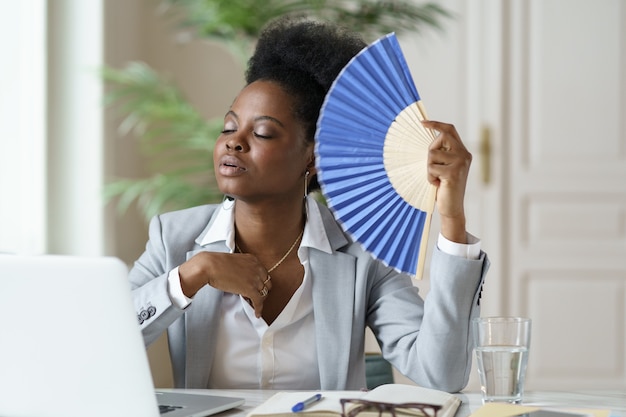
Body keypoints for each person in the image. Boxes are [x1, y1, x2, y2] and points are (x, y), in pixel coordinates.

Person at [129, 15, 489, 393]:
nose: (234, 142)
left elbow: (442, 374)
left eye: (263, 132)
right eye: (229, 127)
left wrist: (452, 219)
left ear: (312, 159)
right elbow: (98, 337)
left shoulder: (363, 252)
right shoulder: (174, 238)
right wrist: (190, 276)